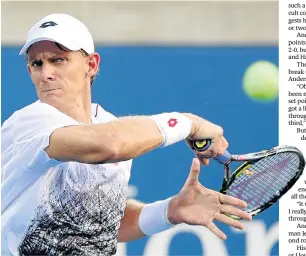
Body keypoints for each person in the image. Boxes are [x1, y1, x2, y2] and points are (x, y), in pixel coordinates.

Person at [1, 13, 252, 256]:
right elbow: (111, 144)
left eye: (58, 60)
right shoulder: (29, 124)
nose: (46, 74)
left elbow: (98, 226)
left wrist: (171, 210)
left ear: (91, 64)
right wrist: (188, 122)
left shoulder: (108, 124)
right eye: (37, 63)